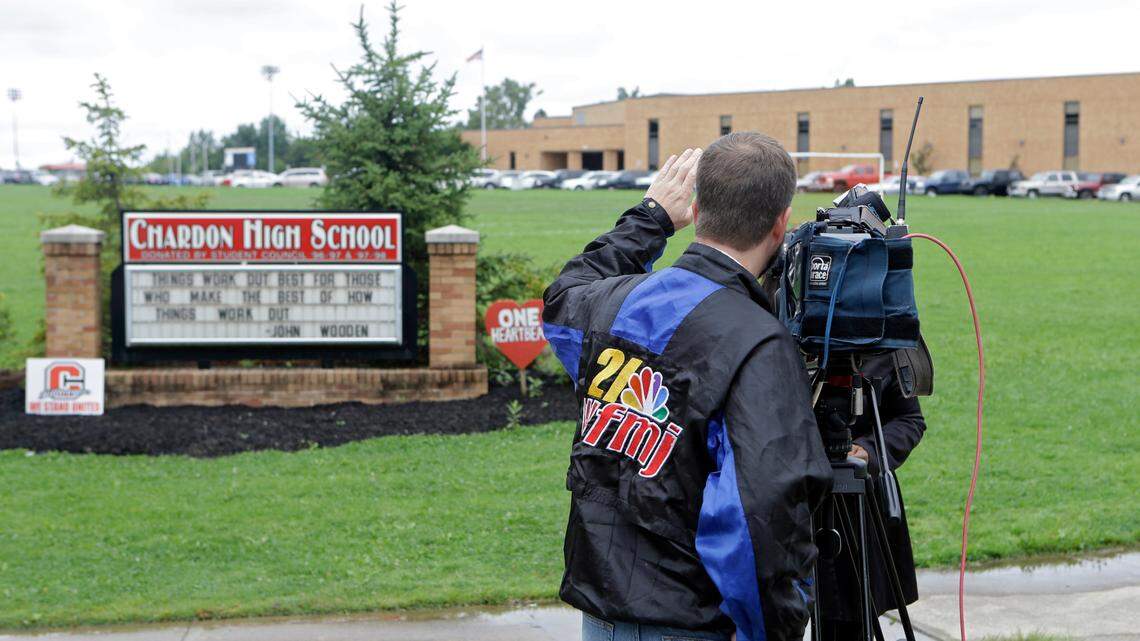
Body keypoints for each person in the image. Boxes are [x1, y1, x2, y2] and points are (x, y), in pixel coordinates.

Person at [542, 134, 833, 641]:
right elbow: (757, 517)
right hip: (693, 623)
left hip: (602, 617)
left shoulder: (616, 302)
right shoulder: (759, 344)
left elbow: (564, 298)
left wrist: (652, 216)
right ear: (781, 223)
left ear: (695, 209)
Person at [814, 353, 927, 640]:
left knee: (851, 620)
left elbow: (909, 419)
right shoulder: (782, 340)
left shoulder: (883, 344)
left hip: (858, 501)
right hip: (791, 499)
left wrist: (868, 450)